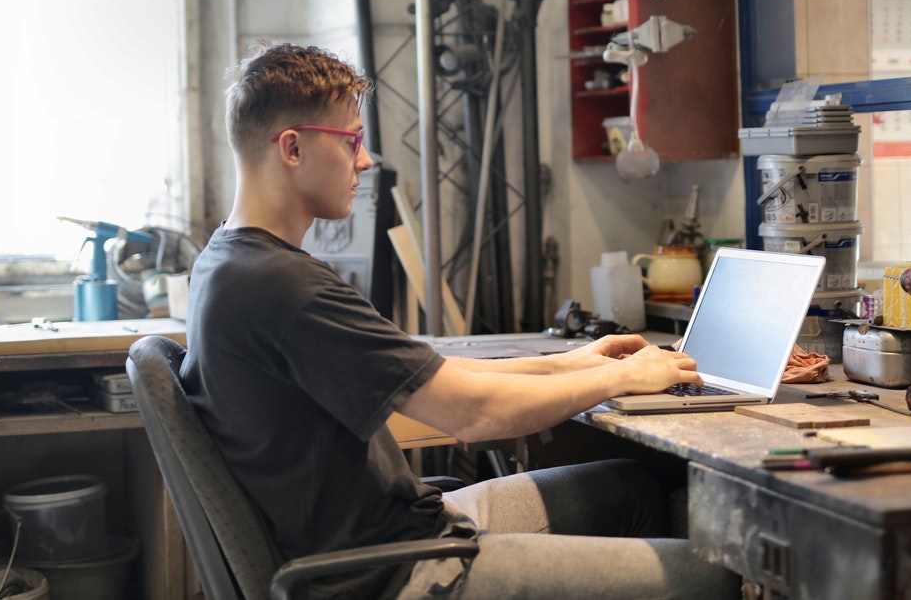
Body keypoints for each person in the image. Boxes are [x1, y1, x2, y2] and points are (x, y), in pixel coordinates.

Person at [181, 41, 739, 599]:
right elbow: (472, 414)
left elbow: (436, 377)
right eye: (352, 140)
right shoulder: (284, 286)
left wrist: (569, 362)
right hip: (396, 572)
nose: (366, 160)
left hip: (395, 532)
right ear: (293, 148)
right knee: (709, 579)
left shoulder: (228, 263)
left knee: (633, 487)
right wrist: (622, 378)